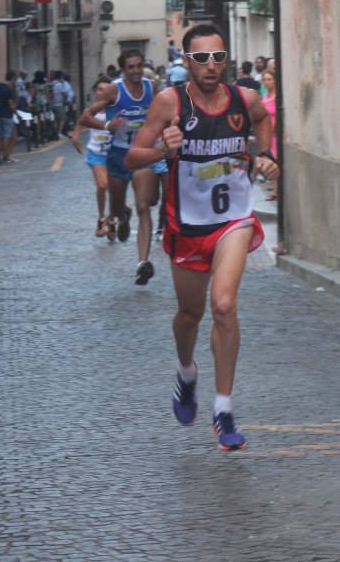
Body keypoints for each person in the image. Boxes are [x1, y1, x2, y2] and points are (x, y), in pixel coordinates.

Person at [126, 23, 278, 450]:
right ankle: (187, 371)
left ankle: (223, 408)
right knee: (189, 315)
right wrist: (164, 150)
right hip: (188, 225)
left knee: (224, 305)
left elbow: (263, 119)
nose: (211, 65)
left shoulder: (244, 99)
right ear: (186, 61)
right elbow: (132, 156)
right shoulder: (169, 102)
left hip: (234, 220)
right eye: (201, 58)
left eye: (218, 57)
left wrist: (265, 154)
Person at [77, 49, 163, 285]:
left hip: (142, 153)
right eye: (130, 67)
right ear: (123, 70)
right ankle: (123, 215)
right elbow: (85, 117)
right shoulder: (114, 90)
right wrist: (107, 125)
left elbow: (164, 113)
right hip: (118, 155)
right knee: (115, 208)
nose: (136, 71)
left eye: (139, 66)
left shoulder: (151, 88)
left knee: (144, 206)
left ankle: (142, 263)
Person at [70, 77, 115, 239]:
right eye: (99, 89)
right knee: (102, 185)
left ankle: (112, 220)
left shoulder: (115, 107)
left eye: (106, 89)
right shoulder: (91, 110)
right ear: (95, 91)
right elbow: (82, 121)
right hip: (96, 153)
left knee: (115, 190)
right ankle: (101, 218)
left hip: (114, 154)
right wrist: (75, 136)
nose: (102, 92)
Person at [259, 70, 278, 201]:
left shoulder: (277, 96)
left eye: (269, 79)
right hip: (267, 133)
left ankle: (276, 191)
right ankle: (274, 189)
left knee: (275, 161)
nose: (266, 82)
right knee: (270, 160)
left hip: (275, 133)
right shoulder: (264, 96)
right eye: (265, 79)